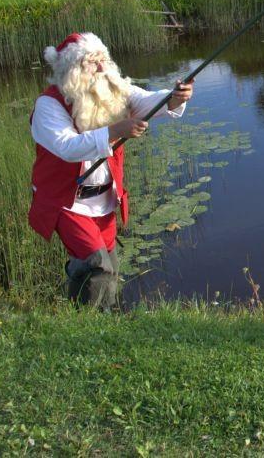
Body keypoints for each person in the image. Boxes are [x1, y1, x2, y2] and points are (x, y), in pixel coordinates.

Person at [28, 32, 194, 309]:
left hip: (104, 201)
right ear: (72, 69)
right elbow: (67, 147)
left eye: (104, 58)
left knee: (110, 268)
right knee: (98, 264)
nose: (103, 67)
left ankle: (102, 316)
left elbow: (149, 101)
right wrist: (115, 130)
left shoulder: (114, 92)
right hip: (67, 203)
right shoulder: (49, 105)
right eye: (92, 62)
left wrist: (175, 98)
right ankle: (88, 322)